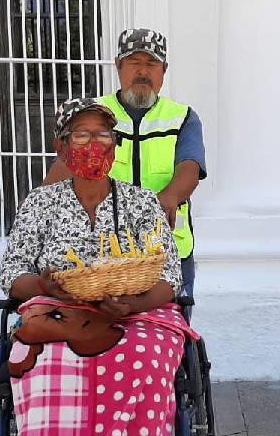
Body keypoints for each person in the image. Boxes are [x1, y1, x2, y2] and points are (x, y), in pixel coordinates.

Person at [0, 97, 196, 436]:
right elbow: (12, 274)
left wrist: (135, 302)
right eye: (81, 135)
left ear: (115, 146)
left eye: (103, 135)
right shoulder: (40, 205)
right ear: (63, 147)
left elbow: (169, 278)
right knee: (40, 356)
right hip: (60, 310)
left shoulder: (142, 203)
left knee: (144, 355)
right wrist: (46, 282)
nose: (93, 143)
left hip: (136, 311)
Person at [43, 28, 206, 300]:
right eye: (134, 63)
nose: (143, 72)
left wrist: (169, 197)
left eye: (151, 64)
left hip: (166, 253)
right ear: (118, 66)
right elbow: (64, 167)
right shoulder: (93, 114)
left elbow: (190, 167)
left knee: (169, 332)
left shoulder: (182, 117)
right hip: (100, 256)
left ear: (163, 71)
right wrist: (41, 205)